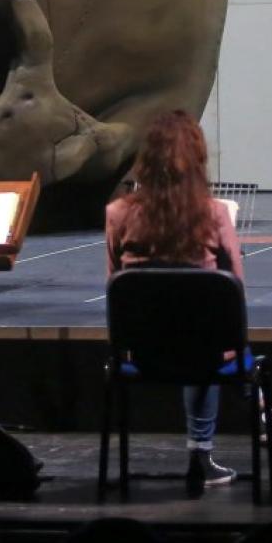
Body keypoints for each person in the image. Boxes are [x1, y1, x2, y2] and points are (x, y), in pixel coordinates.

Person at [105, 110, 245, 494]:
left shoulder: (117, 214)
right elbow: (235, 288)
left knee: (198, 336)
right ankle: (202, 454)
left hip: (140, 352)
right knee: (209, 340)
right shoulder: (215, 214)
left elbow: (115, 283)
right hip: (207, 354)